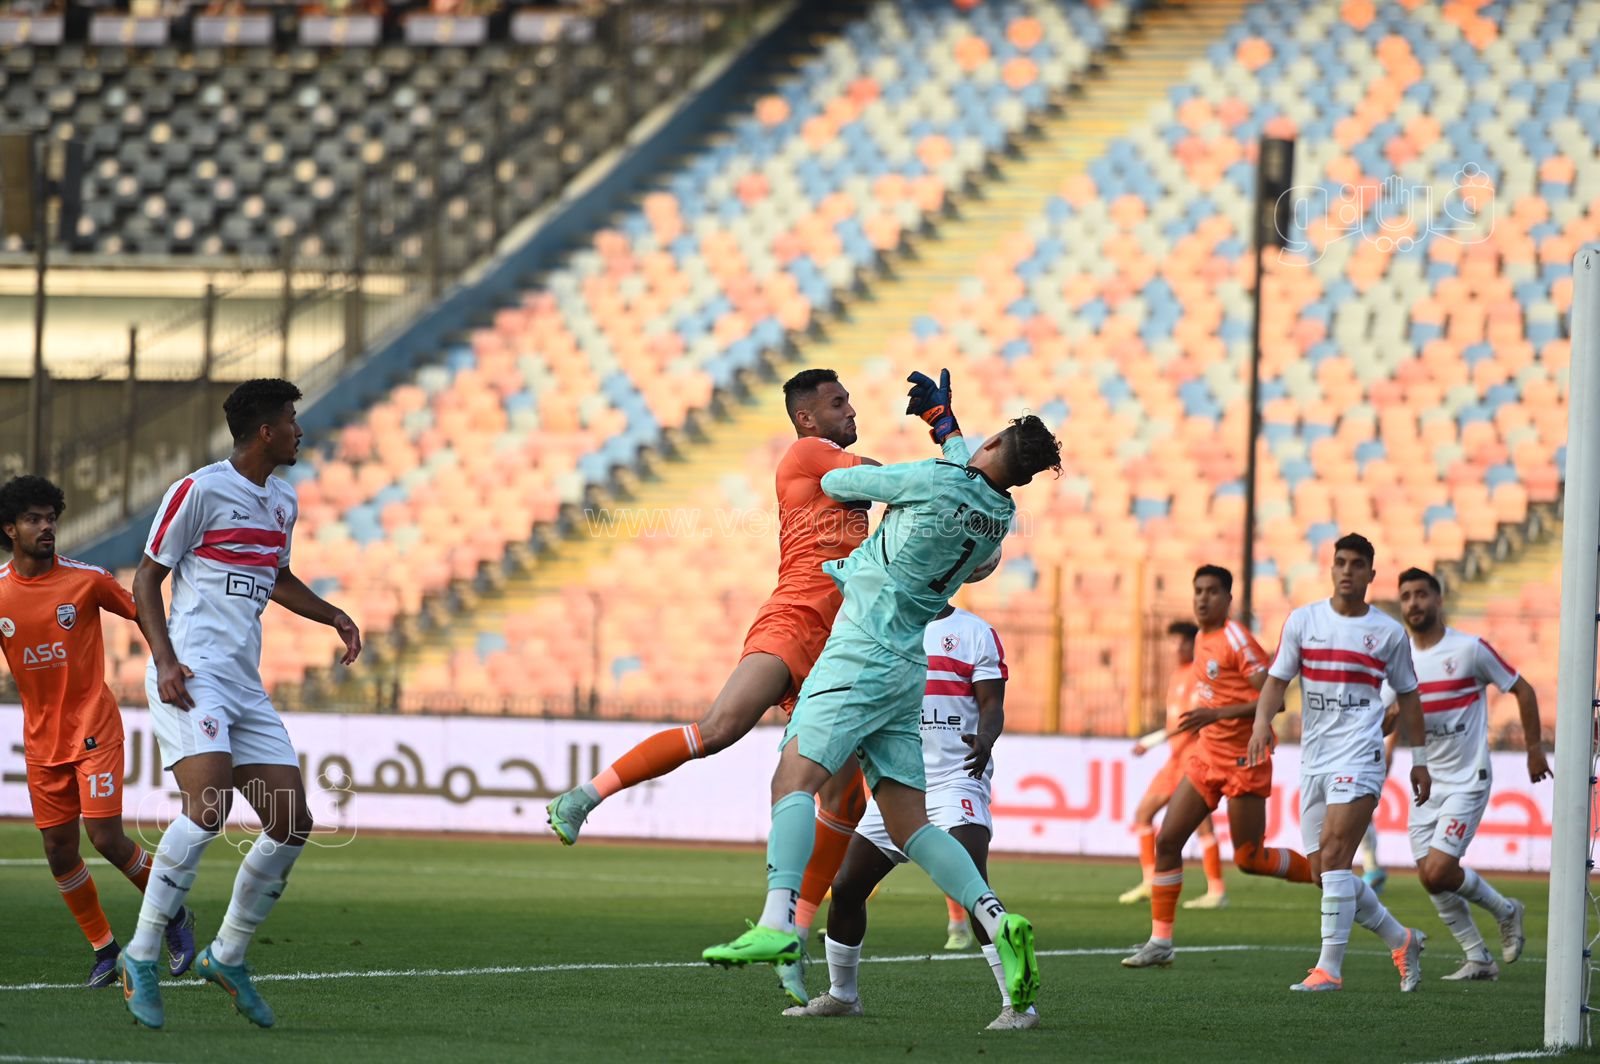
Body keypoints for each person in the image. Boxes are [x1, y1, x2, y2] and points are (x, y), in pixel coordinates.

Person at [703, 369, 1059, 1023]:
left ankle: (778, 923)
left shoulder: (933, 480)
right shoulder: (999, 517)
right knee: (910, 825)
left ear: (990, 448)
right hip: (907, 666)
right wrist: (945, 425)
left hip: (860, 649)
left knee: (792, 779)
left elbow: (840, 485)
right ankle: (994, 917)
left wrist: (922, 442)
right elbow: (966, 478)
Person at [547, 369, 887, 1004]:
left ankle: (791, 935)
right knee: (722, 728)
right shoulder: (809, 454)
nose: (851, 410)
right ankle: (583, 798)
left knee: (847, 801)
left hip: (839, 640)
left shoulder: (829, 460)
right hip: (795, 618)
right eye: (838, 403)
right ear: (807, 418)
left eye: (849, 401)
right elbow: (884, 479)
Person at [117, 378, 363, 1030]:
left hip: (244, 686)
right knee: (208, 811)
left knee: (291, 821)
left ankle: (226, 955)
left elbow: (276, 577)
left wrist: (333, 615)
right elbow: (146, 577)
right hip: (193, 675)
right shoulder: (198, 491)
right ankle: (141, 953)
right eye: (291, 420)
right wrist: (165, 661)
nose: (299, 431)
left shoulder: (282, 500)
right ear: (265, 431)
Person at [792, 604, 1036, 1029]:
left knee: (972, 884)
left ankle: (1019, 1007)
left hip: (956, 781)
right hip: (898, 784)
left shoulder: (974, 633)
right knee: (846, 887)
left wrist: (986, 737)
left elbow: (992, 704)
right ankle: (843, 996)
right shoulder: (882, 627)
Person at [0, 475, 195, 987]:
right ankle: (105, 950)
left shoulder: (85, 580)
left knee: (105, 836)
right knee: (59, 851)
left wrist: (167, 660)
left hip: (93, 729)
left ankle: (174, 914)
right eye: (34, 520)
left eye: (51, 518)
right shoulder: (0, 591)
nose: (47, 527)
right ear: (10, 529)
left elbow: (142, 609)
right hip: (41, 742)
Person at [1246, 533, 1428, 993]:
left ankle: (1329, 970)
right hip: (1315, 759)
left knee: (1334, 856)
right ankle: (1401, 938)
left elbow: (1409, 696)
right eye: (1341, 562)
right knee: (1323, 872)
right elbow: (1276, 681)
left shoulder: (1388, 633)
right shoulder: (1303, 621)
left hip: (1361, 753)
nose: (1347, 570)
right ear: (1332, 568)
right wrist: (1260, 723)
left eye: (1357, 564)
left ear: (1370, 573)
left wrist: (1419, 760)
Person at [1122, 565, 1311, 969]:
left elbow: (1275, 701)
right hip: (1207, 757)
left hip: (1245, 760)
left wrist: (1217, 714)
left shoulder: (1236, 639)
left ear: (1228, 599)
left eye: (1212, 591)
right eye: (1198, 591)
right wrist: (1209, 721)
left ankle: (1323, 874)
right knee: (1167, 841)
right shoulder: (1201, 639)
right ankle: (1160, 941)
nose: (1203, 598)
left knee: (1249, 859)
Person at [1388, 567, 1546, 980]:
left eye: (1421, 594)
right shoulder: (1400, 660)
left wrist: (1533, 749)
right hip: (1426, 782)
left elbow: (1523, 689)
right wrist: (1386, 724)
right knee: (1429, 879)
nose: (1413, 603)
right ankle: (1479, 958)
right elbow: (1387, 720)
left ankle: (1506, 910)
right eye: (1406, 596)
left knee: (1439, 870)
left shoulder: (1469, 649)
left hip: (1467, 777)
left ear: (1438, 600)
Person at [1119, 620, 1226, 909]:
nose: (1176, 647)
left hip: (1196, 757)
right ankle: (1149, 881)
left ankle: (1217, 890)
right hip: (1175, 759)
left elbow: (1192, 719)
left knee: (1202, 824)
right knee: (1143, 814)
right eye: (1173, 642)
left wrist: (1151, 740)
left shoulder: (1200, 674)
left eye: (1182, 642)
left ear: (1194, 644)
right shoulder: (1177, 675)